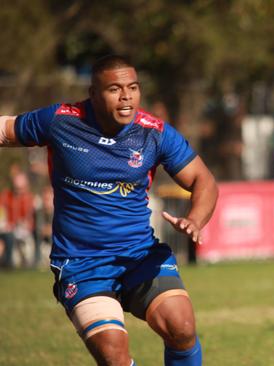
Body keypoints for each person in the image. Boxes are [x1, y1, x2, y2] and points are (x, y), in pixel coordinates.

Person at [0, 55, 218, 366]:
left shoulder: (153, 133)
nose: (126, 96)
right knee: (113, 355)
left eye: (133, 87)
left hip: (139, 255)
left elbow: (203, 179)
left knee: (181, 327)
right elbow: (6, 130)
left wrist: (195, 219)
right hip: (82, 264)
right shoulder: (60, 120)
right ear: (93, 94)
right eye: (115, 89)